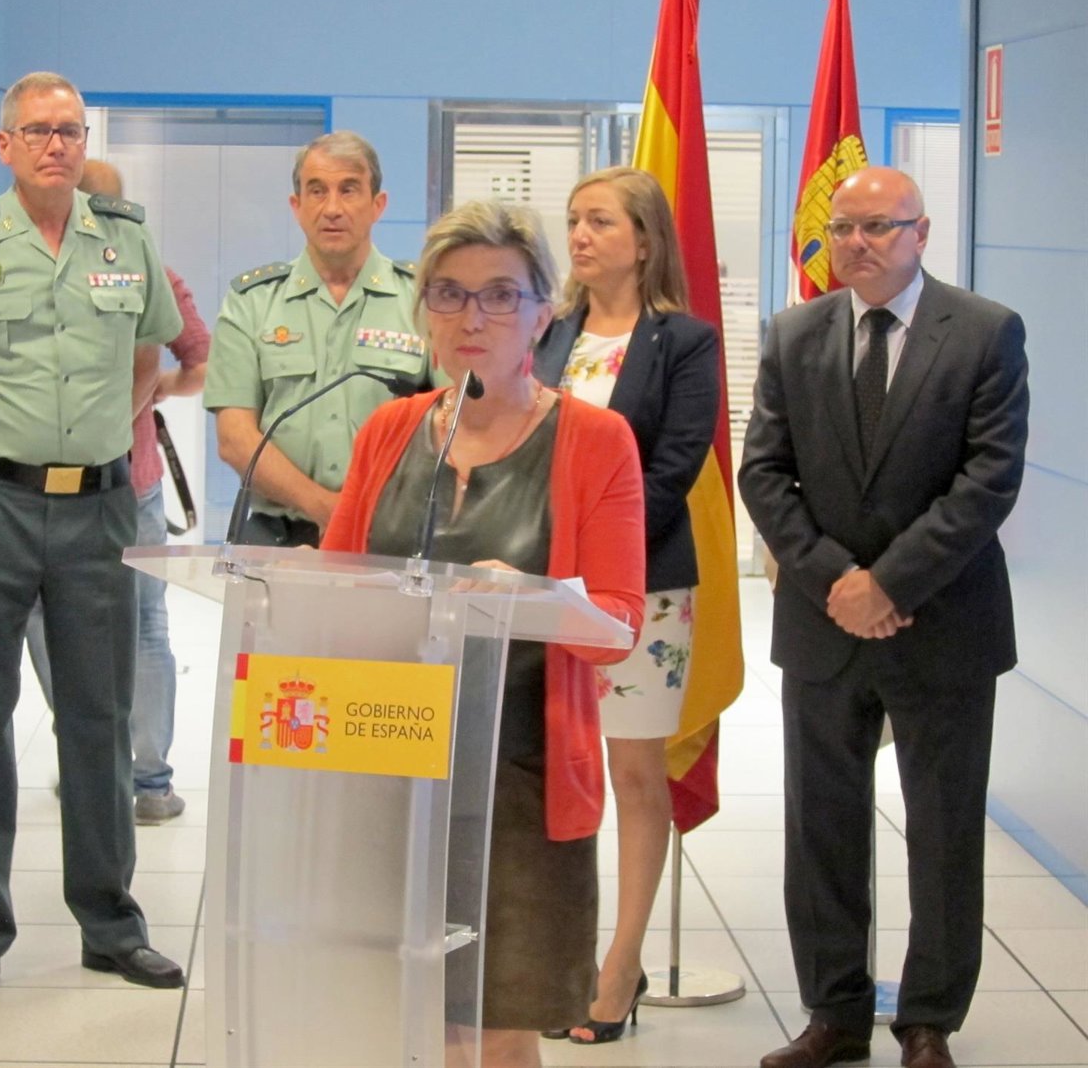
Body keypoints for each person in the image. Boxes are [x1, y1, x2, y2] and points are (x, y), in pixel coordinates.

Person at [321, 199, 646, 1068]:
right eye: (450, 294)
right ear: (424, 310)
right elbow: (334, 589)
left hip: (521, 780)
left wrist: (528, 596)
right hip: (389, 762)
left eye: (501, 295)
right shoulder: (390, 430)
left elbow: (618, 624)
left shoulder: (596, 440)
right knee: (416, 1023)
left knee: (497, 1031)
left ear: (543, 314)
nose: (472, 317)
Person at [0, 71, 186, 1001]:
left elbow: (151, 357)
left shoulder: (127, 239)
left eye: (69, 130)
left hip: (98, 507)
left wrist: (99, 440)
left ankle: (111, 925)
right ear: (6, 145)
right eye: (38, 130)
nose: (56, 144)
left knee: (99, 715)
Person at [738, 167, 1028, 1068]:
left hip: (943, 622)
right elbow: (763, 472)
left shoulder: (984, 331)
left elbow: (989, 479)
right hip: (823, 623)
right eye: (843, 228)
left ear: (921, 233)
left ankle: (929, 1019)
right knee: (821, 827)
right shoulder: (794, 333)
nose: (856, 243)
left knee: (943, 829)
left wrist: (890, 585)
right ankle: (835, 1014)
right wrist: (838, 581)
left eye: (878, 227)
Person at [533, 166, 720, 1044]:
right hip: (540, 587)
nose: (579, 235)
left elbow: (673, 468)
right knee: (553, 768)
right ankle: (557, 953)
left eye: (600, 221)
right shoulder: (547, 332)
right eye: (573, 220)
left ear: (644, 240)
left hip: (642, 587)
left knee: (636, 776)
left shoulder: (684, 342)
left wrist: (589, 554)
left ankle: (622, 964)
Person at [25, 159, 211, 825]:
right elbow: (200, 363)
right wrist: (157, 389)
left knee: (49, 618)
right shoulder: (153, 271)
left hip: (55, 482)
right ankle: (149, 781)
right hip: (132, 481)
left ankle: (91, 761)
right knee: (144, 623)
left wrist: (152, 387)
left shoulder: (39, 272)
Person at [204, 130, 430, 547]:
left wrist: (363, 516)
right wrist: (327, 508)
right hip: (279, 537)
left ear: (378, 204)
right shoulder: (252, 301)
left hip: (389, 538)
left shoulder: (424, 302)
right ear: (297, 206)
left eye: (349, 190)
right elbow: (235, 439)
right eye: (317, 191)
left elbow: (455, 426)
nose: (332, 208)